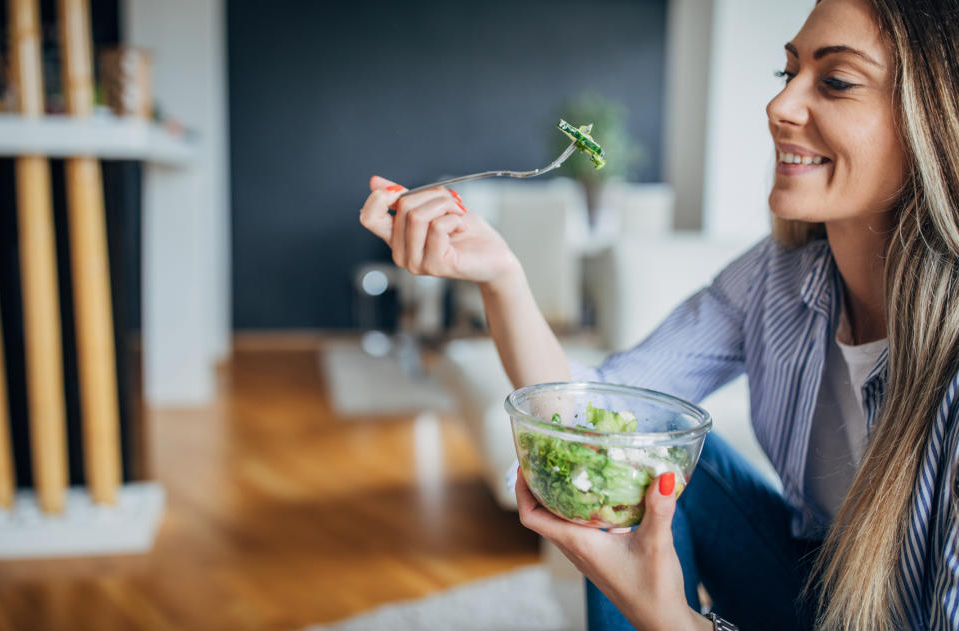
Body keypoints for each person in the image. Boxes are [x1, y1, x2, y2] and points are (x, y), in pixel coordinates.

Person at [359, 0, 959, 628]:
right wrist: (501, 276)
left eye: (836, 80)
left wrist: (670, 620)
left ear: (933, 120)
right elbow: (598, 418)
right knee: (635, 458)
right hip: (813, 588)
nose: (779, 107)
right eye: (789, 74)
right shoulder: (778, 278)